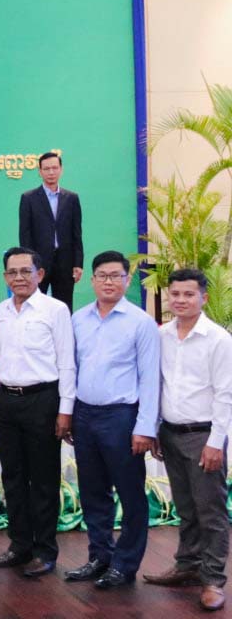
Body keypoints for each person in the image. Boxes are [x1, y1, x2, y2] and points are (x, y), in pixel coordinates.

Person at [64, 250, 159, 589]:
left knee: (131, 494)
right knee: (93, 492)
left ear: (127, 280)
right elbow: (70, 369)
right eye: (102, 275)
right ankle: (100, 556)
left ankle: (125, 564)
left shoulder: (141, 323)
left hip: (122, 417)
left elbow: (150, 379)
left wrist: (145, 427)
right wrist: (69, 413)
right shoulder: (78, 319)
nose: (109, 281)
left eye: (116, 275)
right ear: (91, 280)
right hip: (84, 414)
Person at [143, 269, 232, 611]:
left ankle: (213, 580)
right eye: (175, 294)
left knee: (210, 511)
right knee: (185, 507)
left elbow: (225, 394)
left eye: (188, 294)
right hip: (170, 432)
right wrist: (155, 428)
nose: (180, 300)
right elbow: (157, 384)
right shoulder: (161, 335)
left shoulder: (218, 340)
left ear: (203, 298)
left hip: (204, 436)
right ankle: (187, 566)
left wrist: (216, 442)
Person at [0, 247, 75, 578]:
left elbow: (67, 362)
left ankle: (45, 551)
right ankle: (19, 545)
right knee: (13, 477)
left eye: (26, 271)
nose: (19, 277)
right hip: (8, 401)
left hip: (43, 400)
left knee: (43, 480)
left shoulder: (55, 310)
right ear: (5, 277)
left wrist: (65, 410)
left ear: (40, 274)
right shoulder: (2, 310)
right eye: (12, 272)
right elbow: (1, 358)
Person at [18, 152, 83, 310]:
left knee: (64, 306)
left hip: (65, 261)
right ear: (40, 172)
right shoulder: (28, 198)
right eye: (46, 169)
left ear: (61, 169)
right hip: (38, 262)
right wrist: (28, 263)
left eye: (54, 168)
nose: (51, 172)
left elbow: (76, 233)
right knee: (34, 305)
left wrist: (78, 263)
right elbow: (25, 234)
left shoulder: (72, 198)